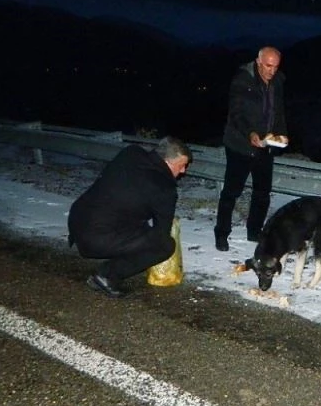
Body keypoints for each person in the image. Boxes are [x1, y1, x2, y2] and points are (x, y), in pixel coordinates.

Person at [68, 136, 192, 297]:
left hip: (78, 219)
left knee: (136, 224)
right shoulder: (165, 189)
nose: (183, 171)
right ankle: (106, 275)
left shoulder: (131, 153)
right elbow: (161, 233)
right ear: (168, 162)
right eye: (182, 166)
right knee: (164, 246)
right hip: (95, 238)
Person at [214, 46, 288, 251]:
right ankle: (221, 233)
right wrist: (251, 134)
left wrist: (282, 134)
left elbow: (279, 112)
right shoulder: (243, 79)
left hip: (266, 146)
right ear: (258, 62)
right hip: (240, 144)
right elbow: (236, 113)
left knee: (262, 192)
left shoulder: (278, 81)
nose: (271, 71)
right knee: (231, 191)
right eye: (268, 66)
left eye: (275, 66)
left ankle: (254, 231)